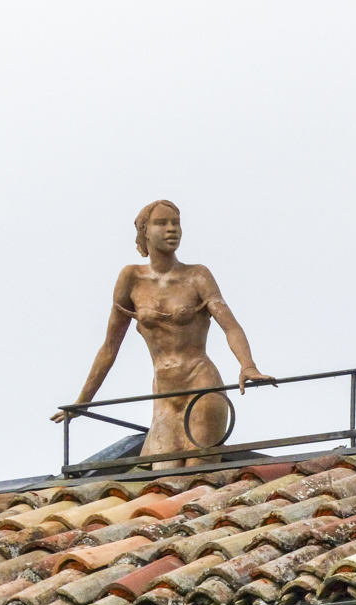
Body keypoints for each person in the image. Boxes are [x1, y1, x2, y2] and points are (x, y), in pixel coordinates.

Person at [51, 200, 275, 469]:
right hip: (163, 394)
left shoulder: (197, 276)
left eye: (176, 223)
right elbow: (110, 347)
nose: (172, 230)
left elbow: (230, 325)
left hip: (201, 385)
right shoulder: (130, 278)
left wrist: (247, 366)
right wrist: (83, 401)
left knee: (197, 475)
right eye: (162, 223)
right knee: (162, 478)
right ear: (144, 231)